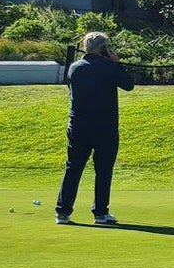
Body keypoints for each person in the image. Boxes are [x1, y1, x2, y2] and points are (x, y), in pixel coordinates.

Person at [55, 31, 136, 226]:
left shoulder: (74, 67)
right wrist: (116, 63)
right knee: (103, 169)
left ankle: (62, 212)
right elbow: (128, 84)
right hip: (103, 126)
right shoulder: (107, 66)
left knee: (73, 168)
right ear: (103, 49)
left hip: (78, 126)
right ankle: (100, 213)